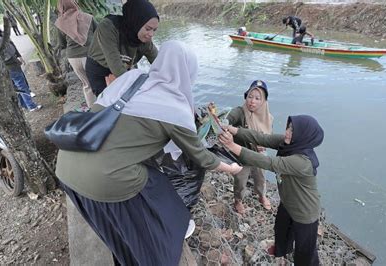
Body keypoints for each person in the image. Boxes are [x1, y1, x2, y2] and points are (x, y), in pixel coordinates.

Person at [55, 40, 242, 265]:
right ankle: (162, 244)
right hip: (104, 178)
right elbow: (200, 156)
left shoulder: (131, 78)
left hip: (67, 163)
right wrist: (231, 168)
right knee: (160, 191)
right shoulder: (175, 107)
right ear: (187, 72)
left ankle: (126, 250)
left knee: (122, 227)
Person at [219, 115, 324, 266]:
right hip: (288, 200)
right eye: (288, 127)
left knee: (305, 250)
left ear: (304, 135)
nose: (287, 132)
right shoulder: (289, 143)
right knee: (281, 229)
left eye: (293, 130)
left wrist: (232, 146)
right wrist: (233, 130)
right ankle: (282, 250)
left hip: (305, 210)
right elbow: (261, 137)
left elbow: (269, 162)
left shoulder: (303, 161)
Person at [86, 0, 159, 96]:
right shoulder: (108, 27)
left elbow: (159, 62)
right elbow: (117, 69)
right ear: (136, 22)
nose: (151, 34)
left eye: (154, 30)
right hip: (101, 69)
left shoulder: (145, 38)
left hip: (124, 67)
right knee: (108, 104)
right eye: (148, 29)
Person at [226, 80, 273, 215]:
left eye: (258, 98)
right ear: (246, 96)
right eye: (250, 97)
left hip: (259, 154)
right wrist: (223, 121)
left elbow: (269, 137)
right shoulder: (240, 112)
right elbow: (228, 119)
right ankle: (238, 200)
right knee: (240, 180)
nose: (252, 101)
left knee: (261, 177)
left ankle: (261, 195)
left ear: (264, 101)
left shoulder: (268, 117)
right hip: (242, 154)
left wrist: (263, 146)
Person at [0, 15, 41, 111]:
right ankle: (31, 105)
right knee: (20, 84)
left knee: (20, 84)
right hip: (8, 64)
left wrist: (18, 55)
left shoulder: (1, 34)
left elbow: (12, 45)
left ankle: (25, 104)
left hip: (13, 61)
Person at [55, 0, 97, 107]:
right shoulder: (88, 17)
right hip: (90, 55)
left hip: (73, 58)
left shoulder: (60, 23)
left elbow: (62, 44)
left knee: (87, 84)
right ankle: (104, 107)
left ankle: (93, 111)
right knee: (98, 81)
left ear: (61, 7)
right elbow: (99, 34)